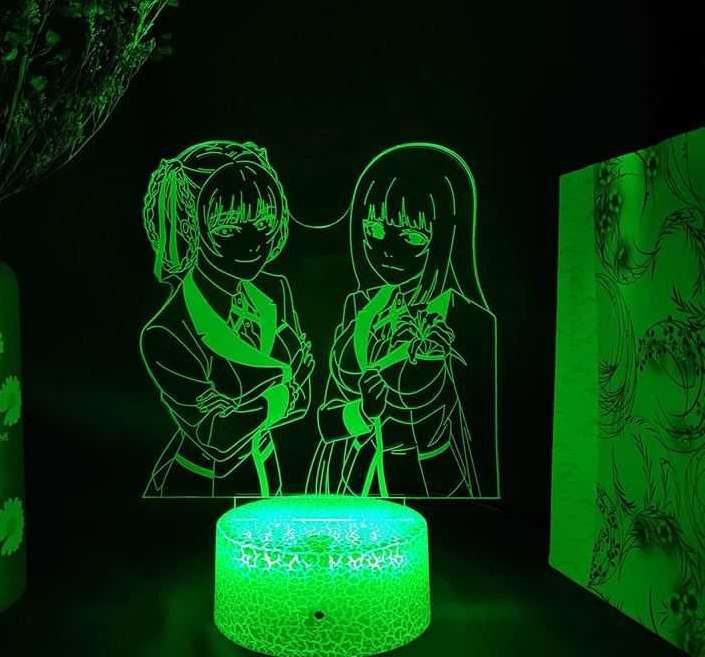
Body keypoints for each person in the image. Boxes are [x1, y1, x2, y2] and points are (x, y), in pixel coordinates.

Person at [307, 143, 498, 498]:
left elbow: (483, 444)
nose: (388, 249)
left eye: (411, 236)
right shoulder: (360, 306)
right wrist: (364, 411)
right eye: (375, 230)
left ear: (444, 237)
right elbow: (326, 422)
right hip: (351, 482)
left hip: (433, 489)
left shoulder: (467, 321)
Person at [140, 141, 314, 497]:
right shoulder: (166, 331)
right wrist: (280, 393)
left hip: (269, 476)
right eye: (229, 229)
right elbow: (217, 437)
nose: (253, 243)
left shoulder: (275, 290)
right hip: (201, 487)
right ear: (191, 227)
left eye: (263, 223)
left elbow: (304, 398)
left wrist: (245, 406)